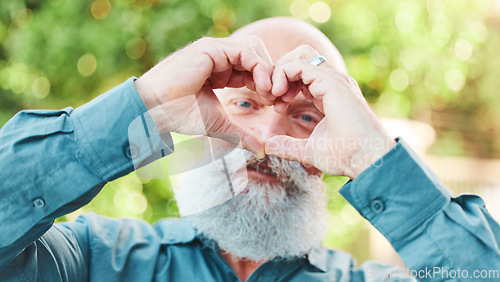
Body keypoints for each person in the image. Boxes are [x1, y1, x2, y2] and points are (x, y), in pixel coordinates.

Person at [0, 17, 499, 281]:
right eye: (244, 104)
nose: (265, 138)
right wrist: (145, 102)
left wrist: (373, 157)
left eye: (306, 117)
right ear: (201, 122)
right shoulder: (93, 261)